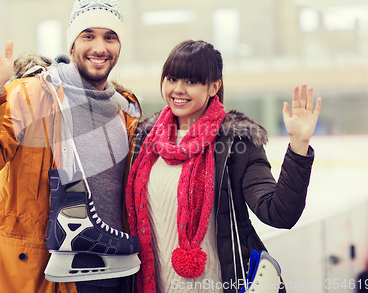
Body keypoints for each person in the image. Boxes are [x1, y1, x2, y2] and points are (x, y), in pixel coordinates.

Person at [0, 0, 141, 293]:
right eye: (88, 36)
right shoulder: (32, 94)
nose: (99, 47)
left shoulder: (124, 109)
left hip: (116, 271)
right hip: (45, 275)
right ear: (72, 44)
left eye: (110, 37)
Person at [126, 40, 322, 293]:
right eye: (172, 79)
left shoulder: (236, 142)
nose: (178, 89)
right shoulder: (145, 141)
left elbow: (279, 213)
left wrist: (299, 144)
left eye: (191, 82)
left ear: (213, 87)